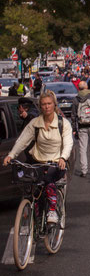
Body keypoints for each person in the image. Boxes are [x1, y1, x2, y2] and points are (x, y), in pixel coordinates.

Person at [3, 91, 73, 224]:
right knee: (32, 187)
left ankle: (52, 210)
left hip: (56, 163)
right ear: (40, 106)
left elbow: (68, 142)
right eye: (44, 104)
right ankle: (34, 217)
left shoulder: (63, 124)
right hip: (37, 162)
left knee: (48, 179)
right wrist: (11, 155)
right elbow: (22, 141)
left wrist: (63, 157)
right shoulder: (35, 123)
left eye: (49, 104)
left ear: (54, 105)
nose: (47, 107)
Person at [71, 81, 90, 177]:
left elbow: (73, 116)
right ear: (87, 87)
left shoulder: (76, 99)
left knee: (82, 149)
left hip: (82, 126)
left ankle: (84, 170)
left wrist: (74, 128)